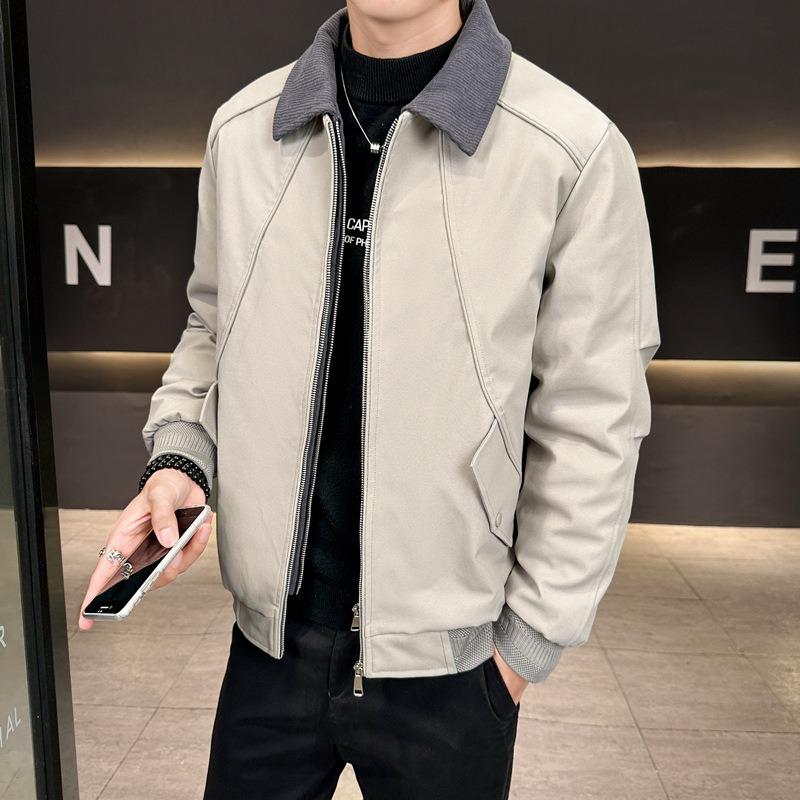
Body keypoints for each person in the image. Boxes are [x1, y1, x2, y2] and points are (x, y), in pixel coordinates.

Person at [79, 0, 661, 797]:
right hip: (270, 650)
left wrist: (522, 650)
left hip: (455, 674)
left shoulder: (570, 148)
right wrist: (181, 455)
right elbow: (214, 327)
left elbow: (593, 415)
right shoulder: (245, 130)